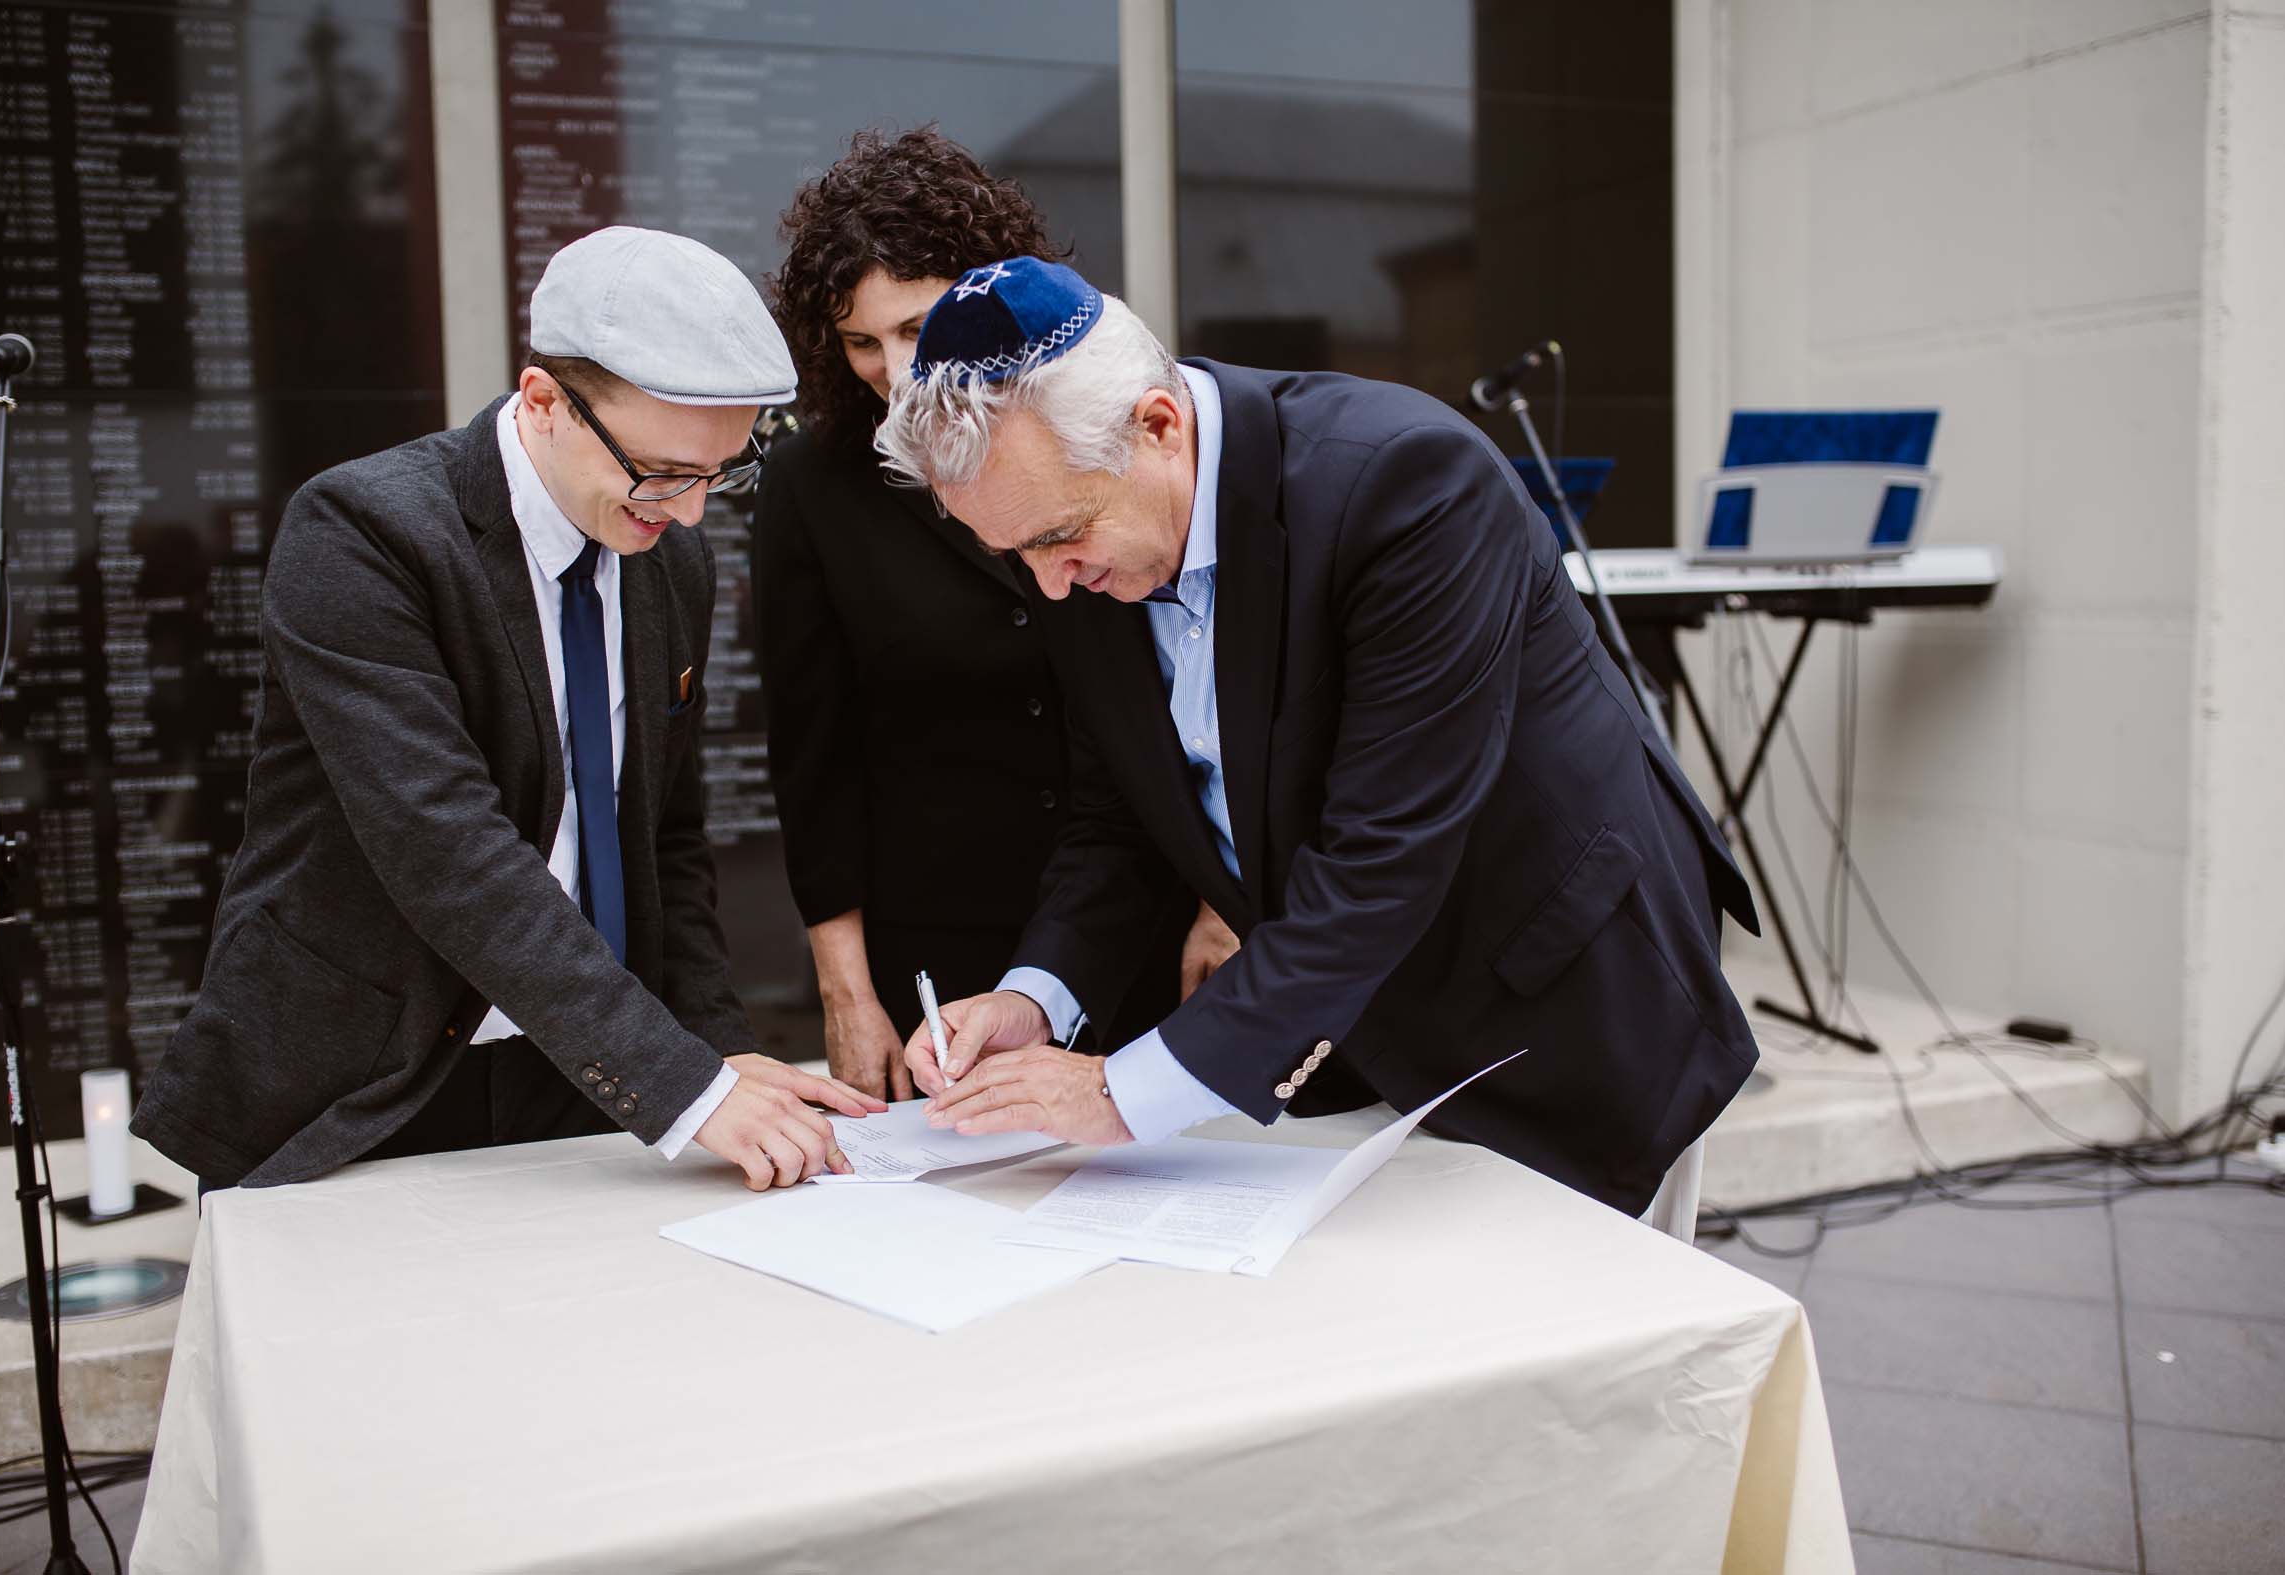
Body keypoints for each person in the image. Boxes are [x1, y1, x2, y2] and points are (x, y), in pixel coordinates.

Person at [879, 257, 1763, 1215]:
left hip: (1557, 1002)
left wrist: (1113, 1093)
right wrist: (1038, 999)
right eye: (1015, 556)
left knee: (1594, 1348)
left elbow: (1384, 860)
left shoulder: (1409, 487)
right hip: (1351, 1038)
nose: (1050, 586)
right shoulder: (1082, 528)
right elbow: (1123, 813)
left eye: (1058, 539)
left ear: (1159, 427)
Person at [133, 226, 878, 1194]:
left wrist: (716, 1051)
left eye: (721, 475)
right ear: (543, 402)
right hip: (366, 1084)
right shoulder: (363, 535)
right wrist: (686, 1085)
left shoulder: (669, 557)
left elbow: (669, 837)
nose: (691, 514)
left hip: (590, 1076)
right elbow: (447, 850)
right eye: (661, 473)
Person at [754, 128, 1221, 1102]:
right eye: (858, 340)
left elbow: (1200, 674)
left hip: (1146, 899)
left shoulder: (1101, 438)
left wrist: (1229, 901)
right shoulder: (810, 486)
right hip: (945, 940)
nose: (889, 367)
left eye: (916, 329)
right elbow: (812, 756)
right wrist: (844, 990)